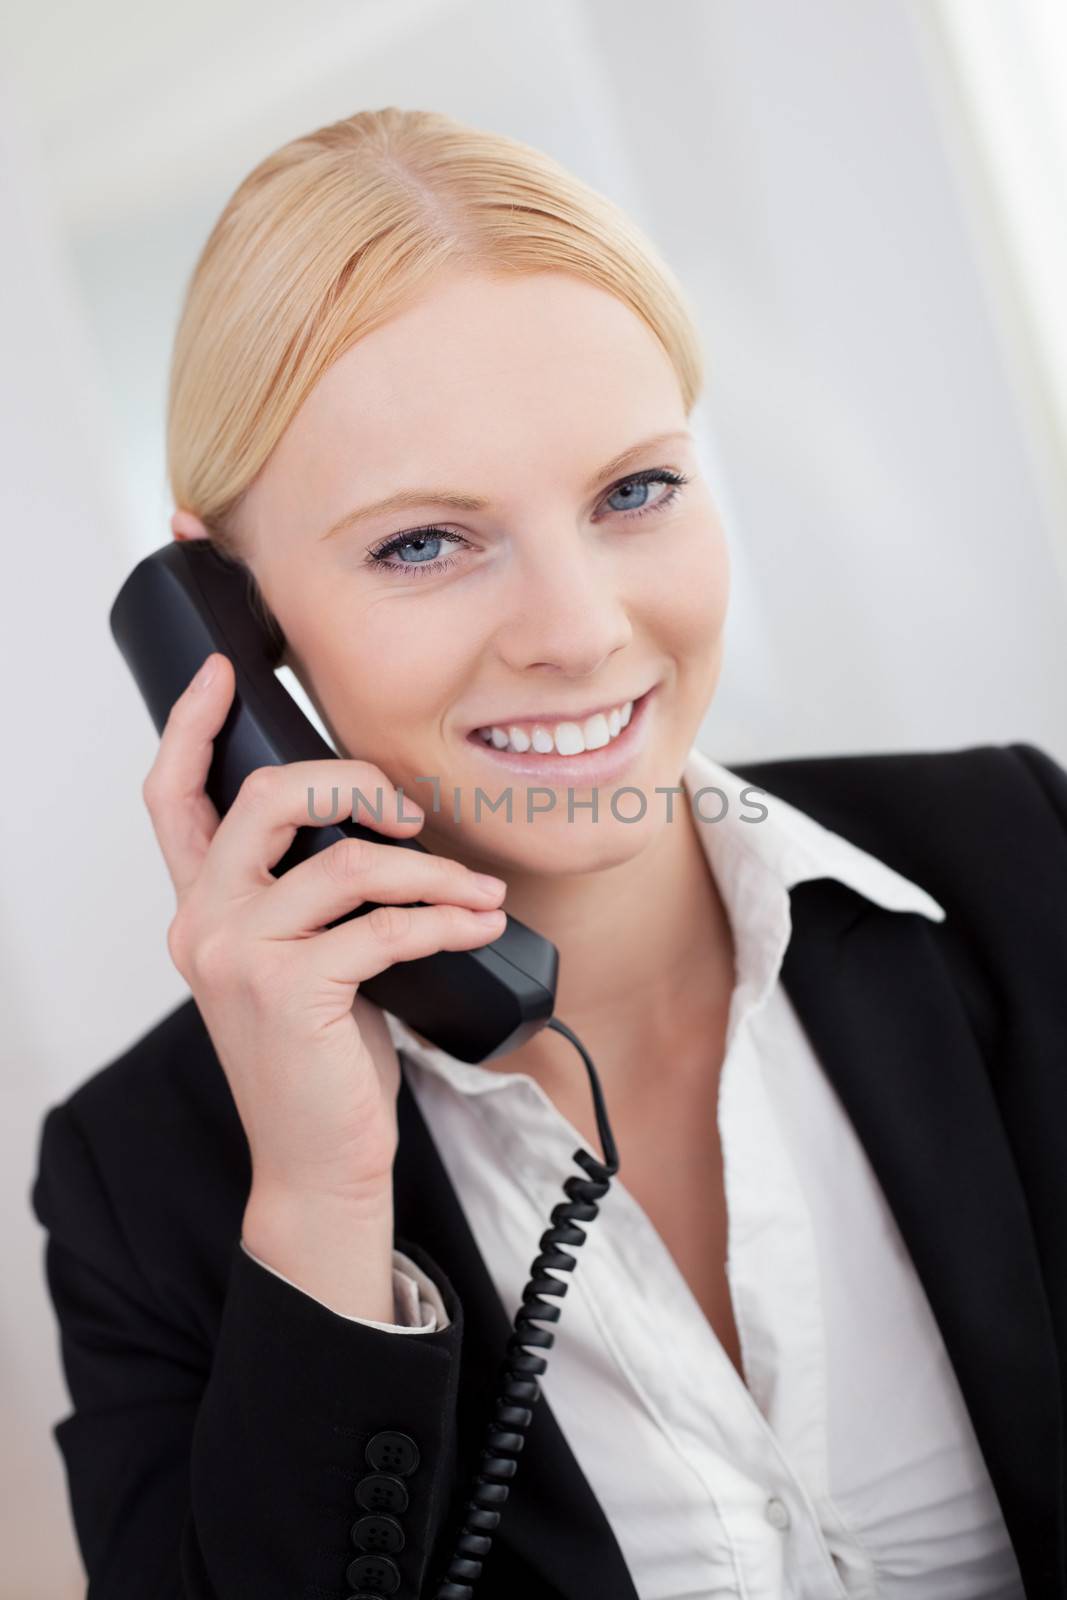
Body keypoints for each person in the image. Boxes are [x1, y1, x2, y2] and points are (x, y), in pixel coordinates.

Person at [29, 106, 1067, 1600]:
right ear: (228, 616)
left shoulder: (1023, 855)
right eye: (425, 543)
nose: (580, 630)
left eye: (633, 490)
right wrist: (322, 1201)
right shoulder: (145, 1180)